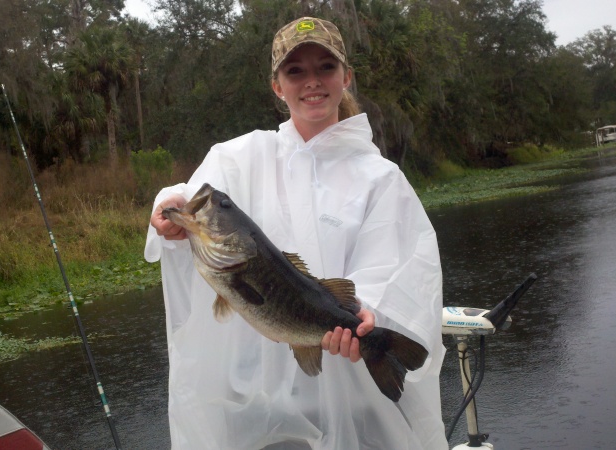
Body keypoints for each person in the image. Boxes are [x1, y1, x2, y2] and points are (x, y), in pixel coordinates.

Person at [146, 16, 448, 449]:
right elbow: (192, 198)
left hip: (355, 402)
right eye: (295, 71)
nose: (313, 82)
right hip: (255, 407)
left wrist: (372, 312)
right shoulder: (241, 156)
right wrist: (168, 210)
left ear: (347, 77)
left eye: (326, 67)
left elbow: (407, 264)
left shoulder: (381, 178)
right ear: (276, 85)